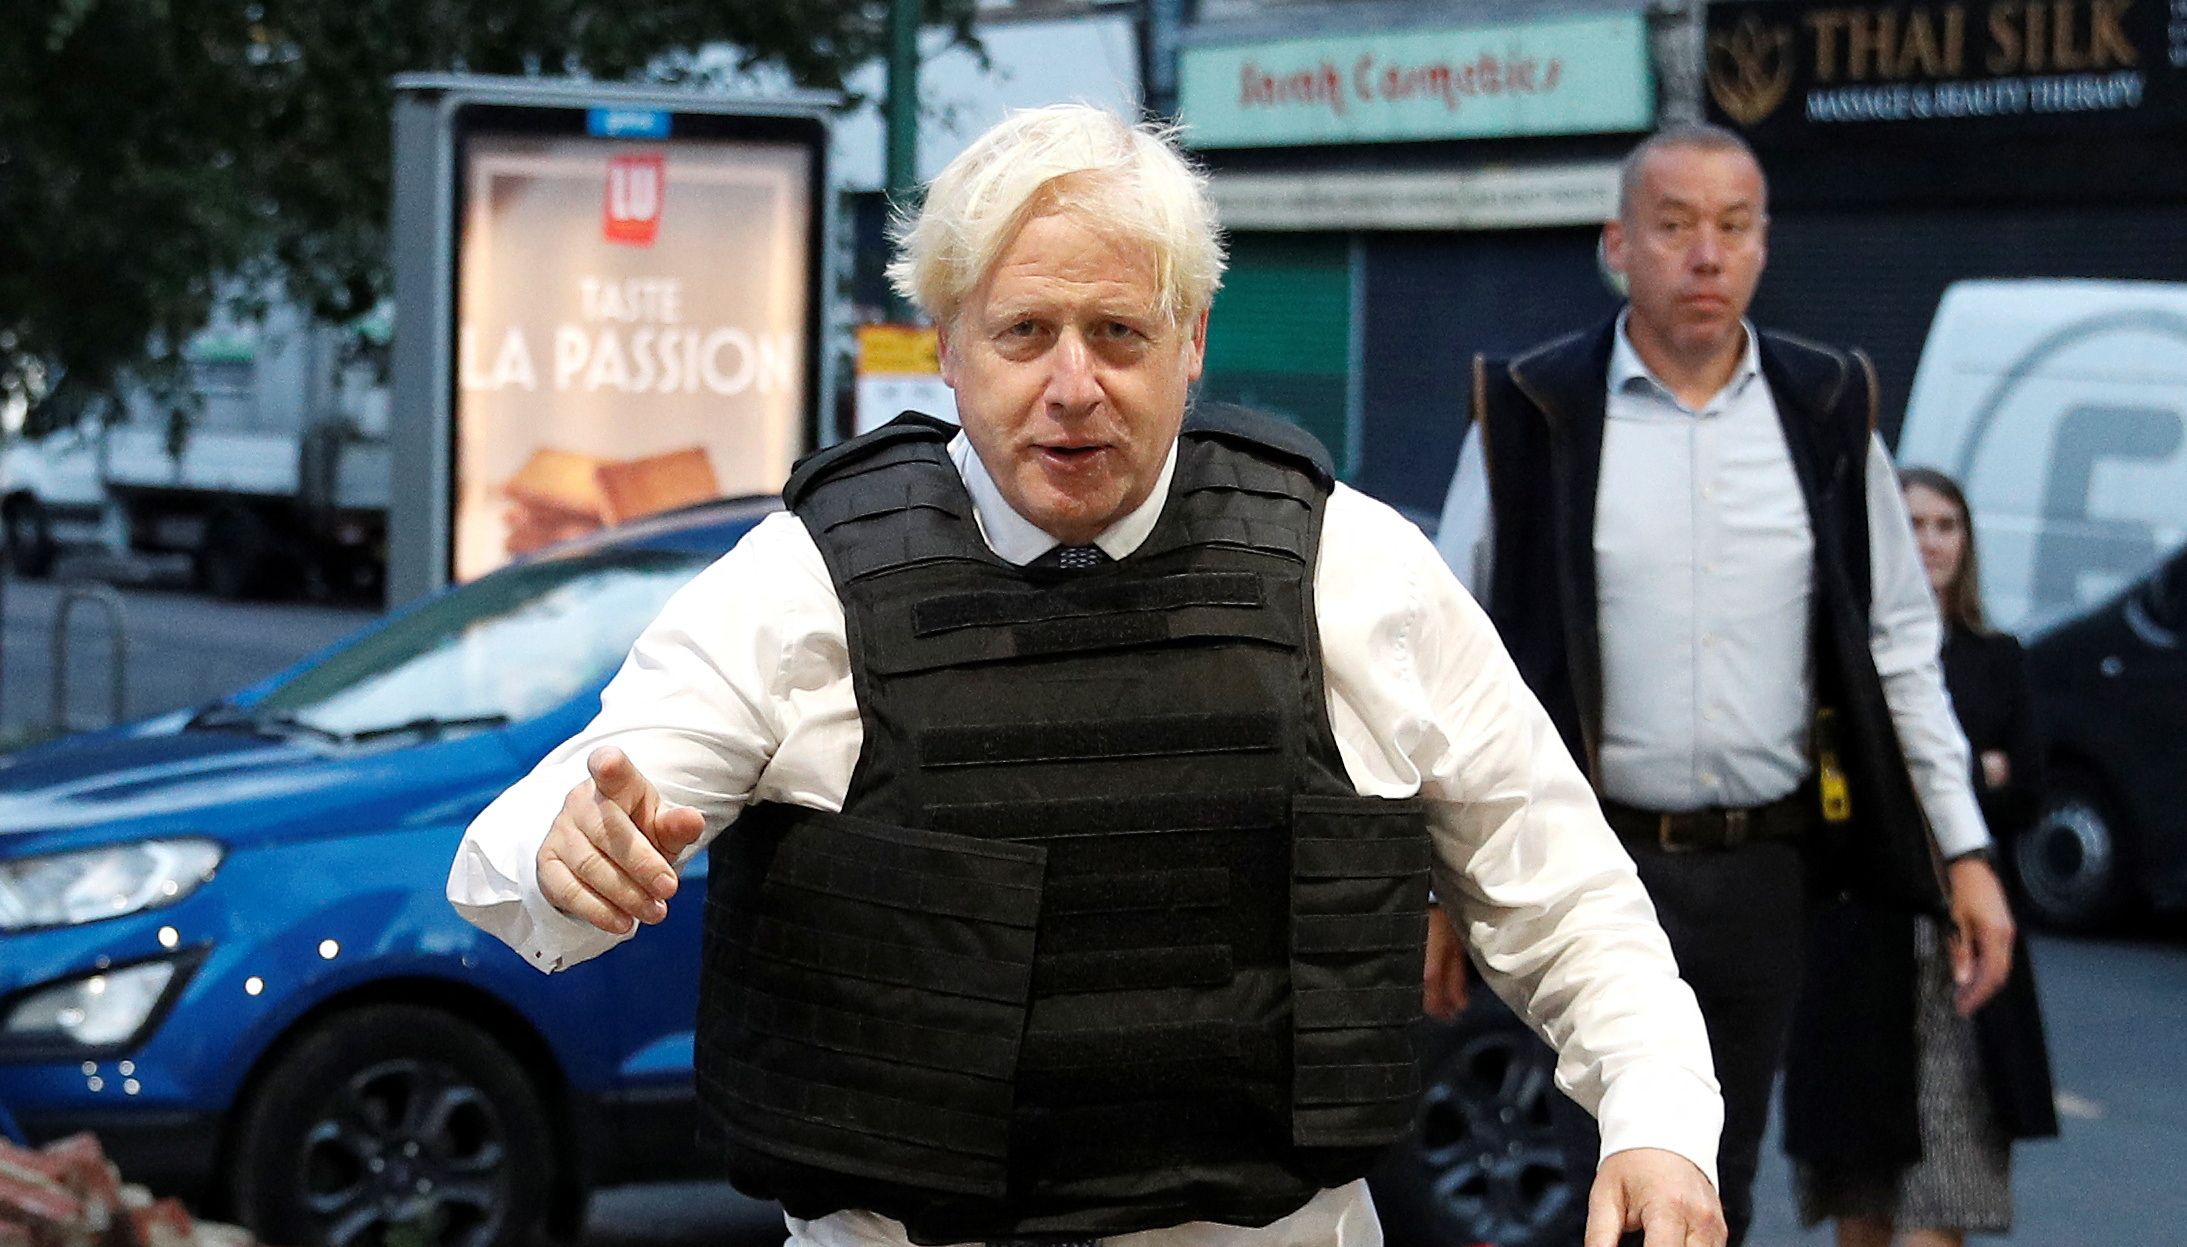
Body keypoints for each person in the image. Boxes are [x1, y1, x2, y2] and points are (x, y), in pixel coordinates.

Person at [448, 105, 1728, 1247]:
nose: (1074, 387)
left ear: (1192, 344)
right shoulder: (802, 586)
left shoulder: (1355, 568)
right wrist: (563, 857)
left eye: (1120, 331)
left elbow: (1563, 887)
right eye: (1025, 332)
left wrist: (1659, 1119)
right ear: (947, 344)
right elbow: (552, 830)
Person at [1433, 122, 2017, 1247]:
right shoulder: (1534, 410)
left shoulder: (1827, 412)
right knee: (1594, 1173)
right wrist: (1439, 885)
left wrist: (1967, 851)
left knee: (1721, 1184)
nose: (1706, 255)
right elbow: (1460, 664)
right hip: (1588, 872)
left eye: (1734, 228)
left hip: (1765, 870)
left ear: (1762, 247)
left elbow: (1899, 646)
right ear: (1618, 244)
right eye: (1674, 225)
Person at [1781, 467, 2059, 1247]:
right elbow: (1834, 788)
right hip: (1853, 944)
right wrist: (1976, 767)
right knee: (1860, 1205)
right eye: (1912, 523)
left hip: (1963, 949)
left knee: (1941, 1201)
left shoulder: (1995, 655)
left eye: (1946, 524)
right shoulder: (1837, 654)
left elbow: (2025, 789)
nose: (1929, 541)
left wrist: (1941, 777)